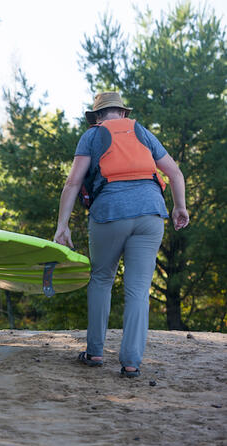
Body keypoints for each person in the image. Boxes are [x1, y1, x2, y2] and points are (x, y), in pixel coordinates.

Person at [54, 91, 189, 377]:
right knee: (139, 290)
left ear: (98, 116)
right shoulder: (143, 133)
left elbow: (73, 182)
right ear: (123, 113)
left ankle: (95, 352)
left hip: (110, 214)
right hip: (151, 215)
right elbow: (175, 174)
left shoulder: (92, 136)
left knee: (102, 279)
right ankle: (130, 363)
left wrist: (62, 225)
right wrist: (180, 207)